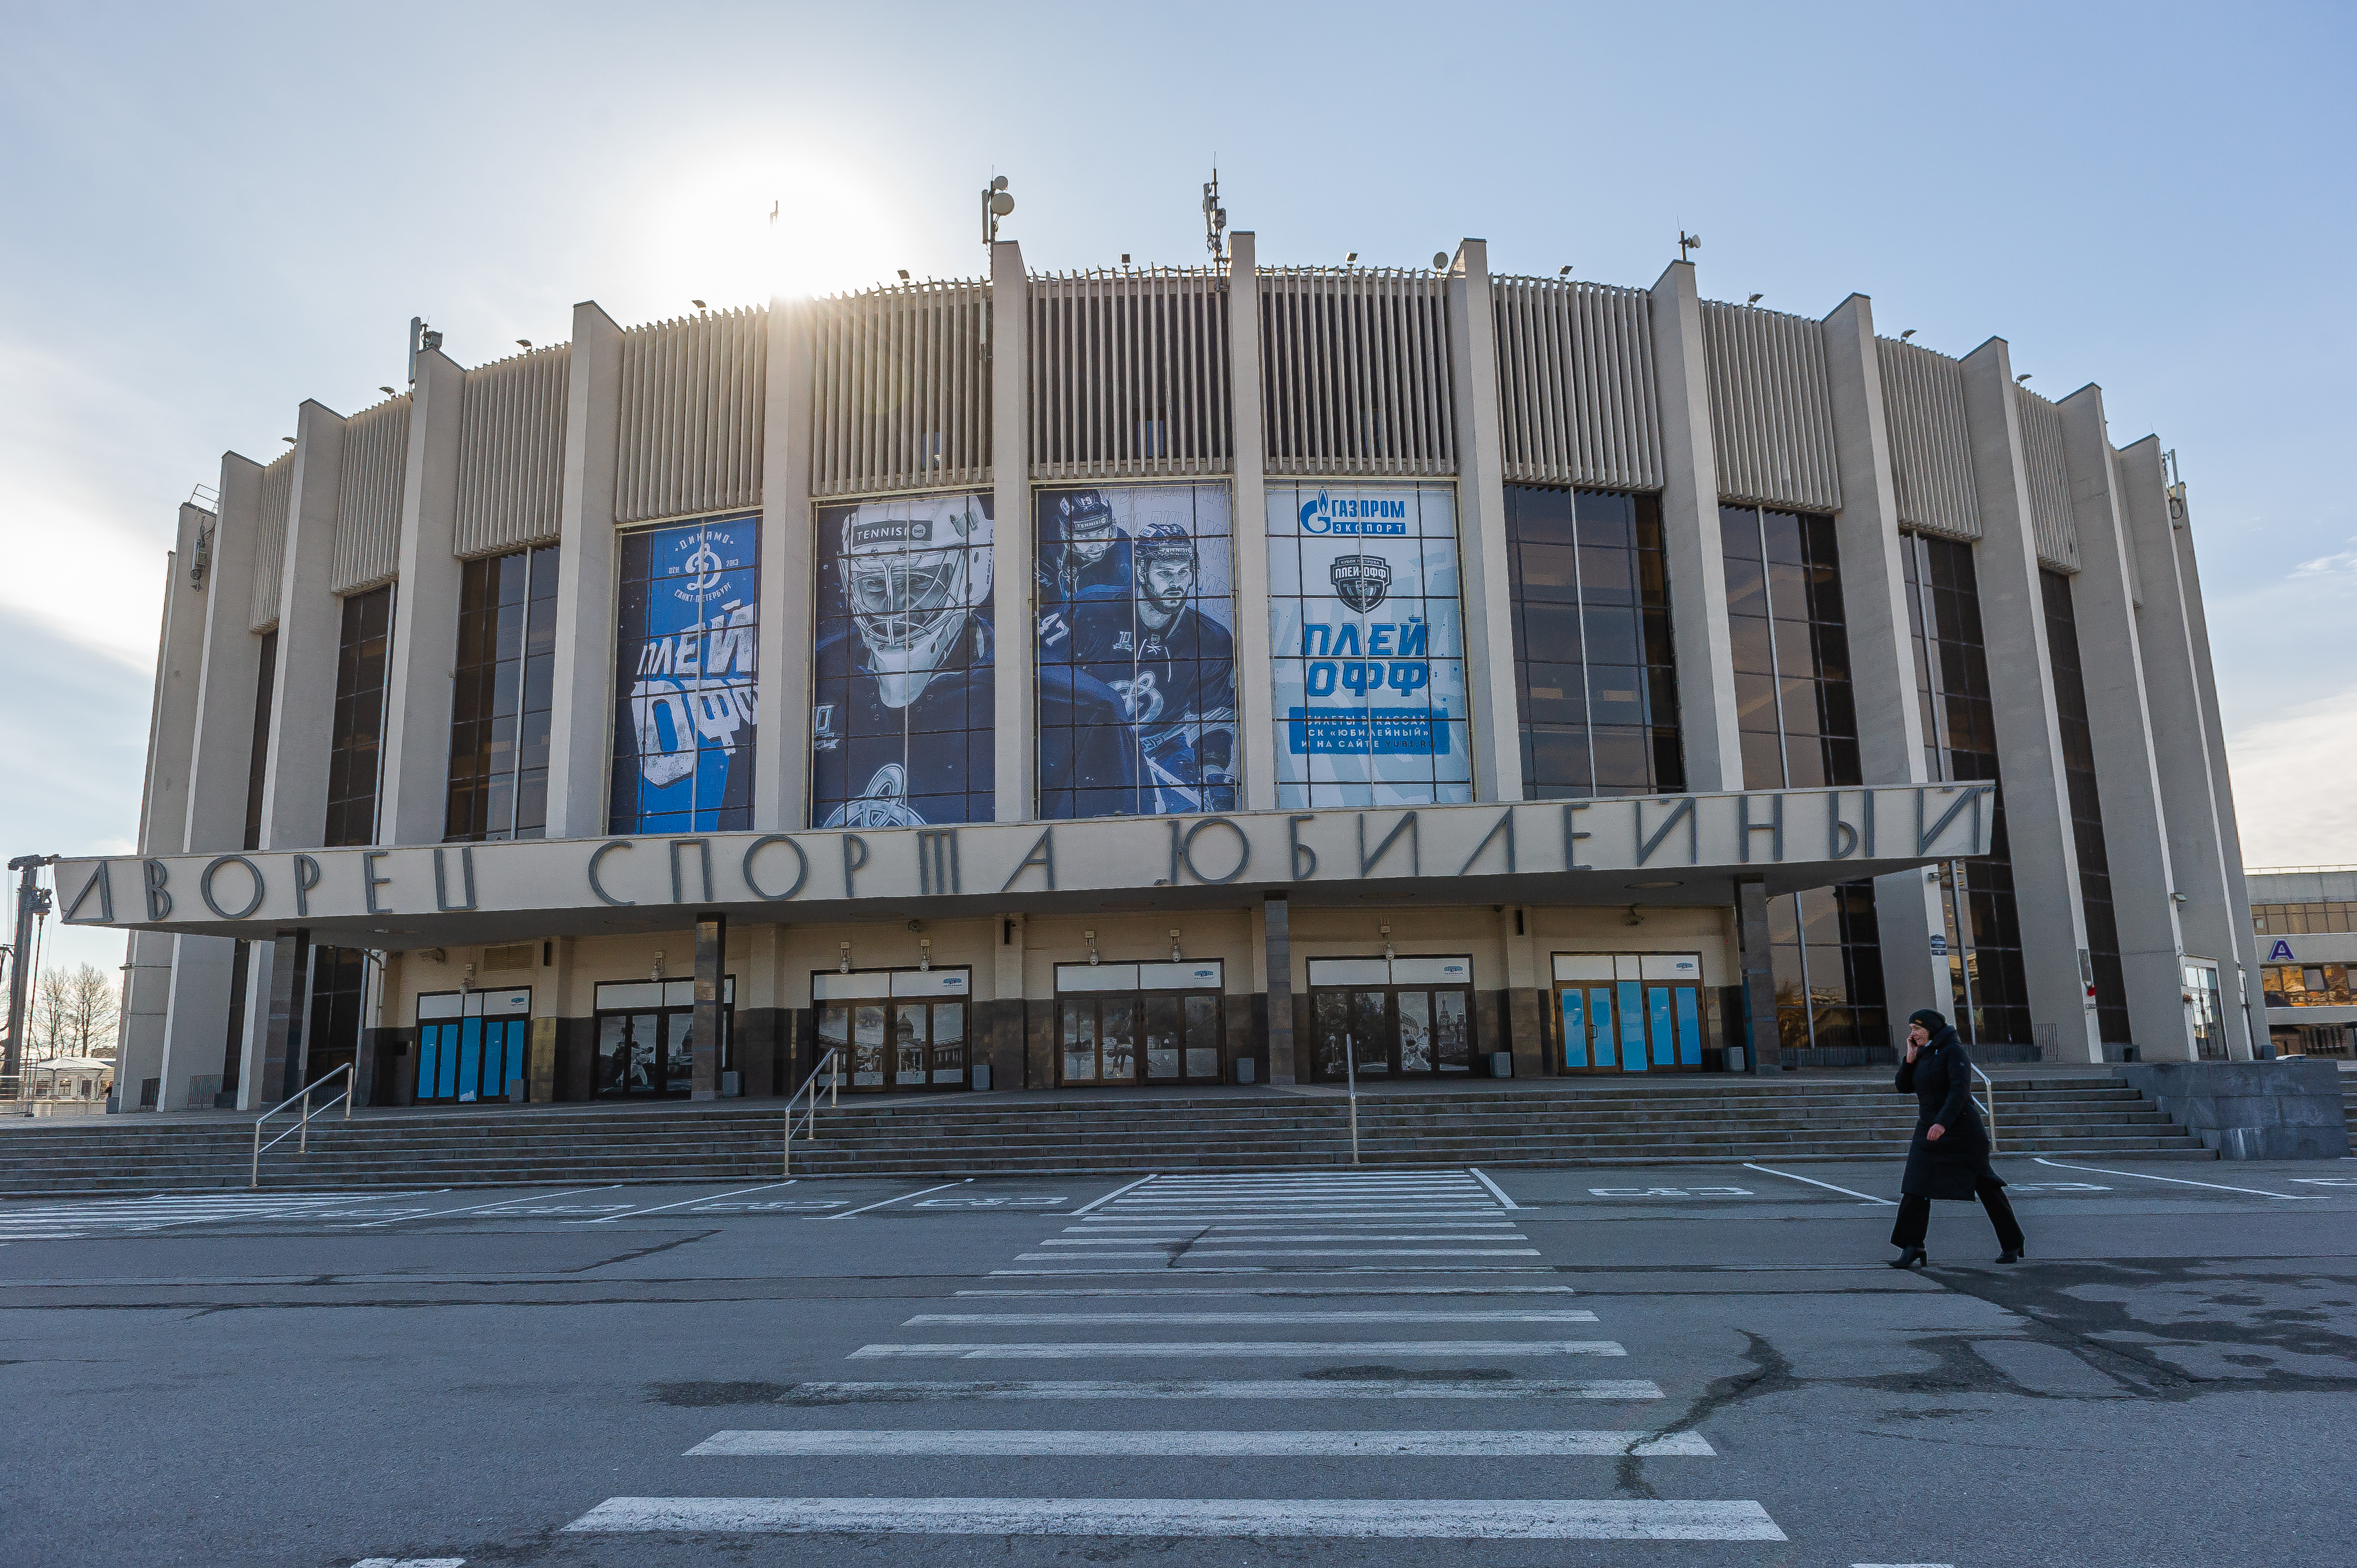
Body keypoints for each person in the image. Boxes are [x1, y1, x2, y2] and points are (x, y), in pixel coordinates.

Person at [1889, 1008, 2025, 1268]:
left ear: (1931, 1028)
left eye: (1917, 1028)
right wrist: (1910, 1058)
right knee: (1915, 1185)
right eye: (1911, 1029)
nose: (1913, 1033)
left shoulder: (1954, 1051)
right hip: (1926, 1130)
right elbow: (1903, 1087)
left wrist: (1942, 1123)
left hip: (1962, 1133)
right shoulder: (1923, 1053)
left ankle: (2012, 1243)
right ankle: (1912, 1245)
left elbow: (1960, 1091)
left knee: (1987, 1187)